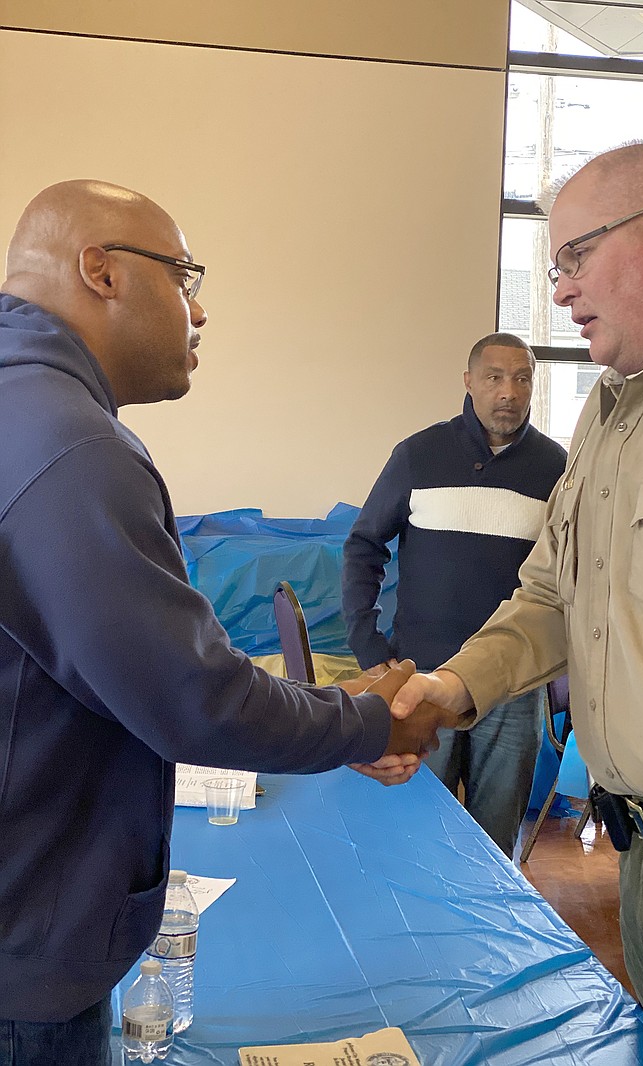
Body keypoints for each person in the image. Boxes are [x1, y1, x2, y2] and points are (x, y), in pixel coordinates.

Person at [0, 179, 457, 1064]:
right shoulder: (72, 444)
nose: (197, 308)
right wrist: (368, 718)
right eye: (182, 274)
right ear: (100, 270)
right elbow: (190, 693)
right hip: (26, 958)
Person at [385, 143, 643, 1066]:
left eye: (573, 255)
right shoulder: (610, 412)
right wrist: (448, 690)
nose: (559, 288)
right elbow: (551, 598)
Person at [341, 333, 566, 857]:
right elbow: (363, 547)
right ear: (469, 382)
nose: (508, 392)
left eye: (521, 378)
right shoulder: (419, 455)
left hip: (512, 693)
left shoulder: (557, 470)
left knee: (493, 846)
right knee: (413, 833)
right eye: (494, 378)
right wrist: (371, 650)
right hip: (419, 683)